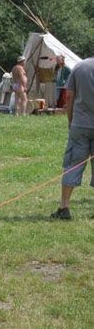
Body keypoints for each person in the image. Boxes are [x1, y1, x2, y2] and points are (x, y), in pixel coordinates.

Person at [51, 57, 94, 220]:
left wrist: (70, 120)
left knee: (72, 165)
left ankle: (64, 207)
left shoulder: (80, 67)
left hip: (81, 124)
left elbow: (69, 96)